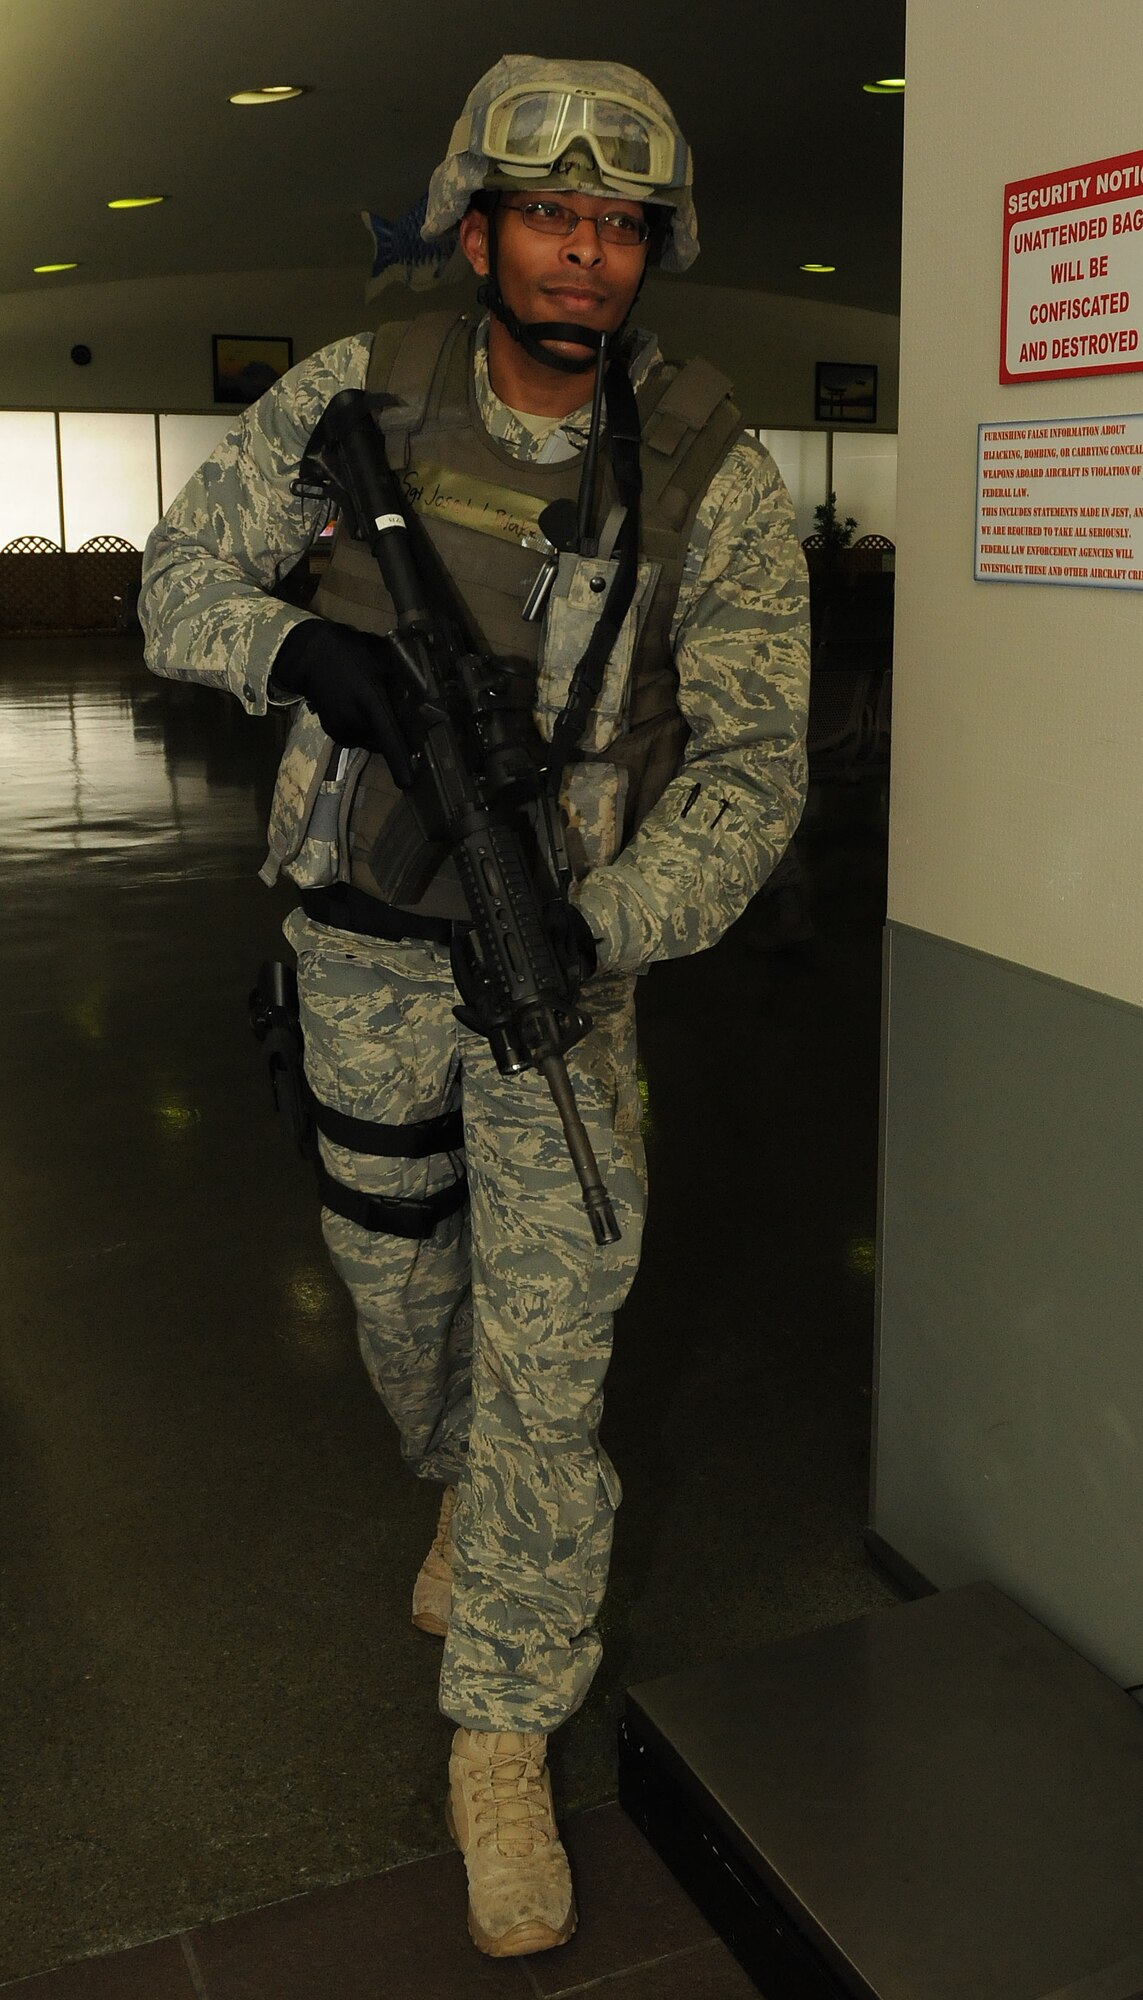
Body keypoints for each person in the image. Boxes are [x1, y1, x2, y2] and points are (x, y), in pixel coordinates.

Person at [140, 54, 808, 1960]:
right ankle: (463, 1495)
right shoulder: (356, 398)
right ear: (482, 226)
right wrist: (300, 654)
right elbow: (178, 579)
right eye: (553, 217)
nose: (587, 256)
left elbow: (755, 769)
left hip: (562, 979)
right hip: (355, 955)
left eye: (619, 226)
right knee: (393, 1296)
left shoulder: (713, 476)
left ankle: (502, 1730)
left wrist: (610, 924)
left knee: (549, 1361)